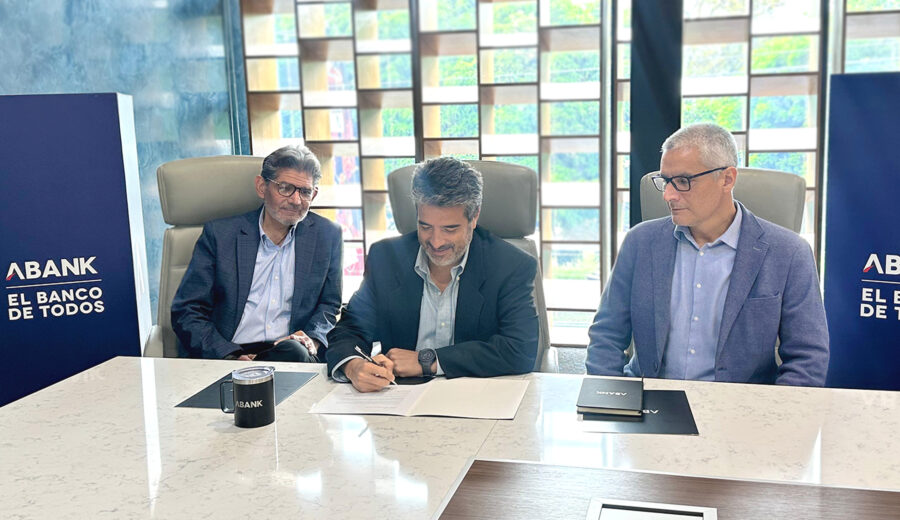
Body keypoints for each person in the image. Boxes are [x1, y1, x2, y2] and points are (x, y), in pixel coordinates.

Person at [586, 123, 829, 386]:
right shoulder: (640, 243)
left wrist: (766, 410)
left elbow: (808, 358)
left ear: (727, 179)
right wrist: (612, 397)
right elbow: (606, 336)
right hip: (648, 398)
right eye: (665, 181)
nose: (668, 195)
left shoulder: (789, 253)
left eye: (683, 181)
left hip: (741, 405)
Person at [325, 157, 539, 392]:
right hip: (399, 395)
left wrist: (427, 361)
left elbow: (520, 350)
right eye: (425, 226)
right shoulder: (386, 258)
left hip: (477, 397)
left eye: (450, 229)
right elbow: (350, 329)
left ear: (474, 217)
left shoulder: (511, 266)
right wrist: (354, 366)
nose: (436, 242)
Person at [171, 145, 343, 362]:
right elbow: (187, 311)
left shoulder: (327, 235)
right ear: (262, 187)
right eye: (285, 188)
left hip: (291, 353)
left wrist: (312, 340)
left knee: (294, 351)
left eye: (305, 192)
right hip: (228, 353)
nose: (296, 200)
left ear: (314, 194)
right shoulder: (220, 235)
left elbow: (329, 305)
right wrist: (231, 355)